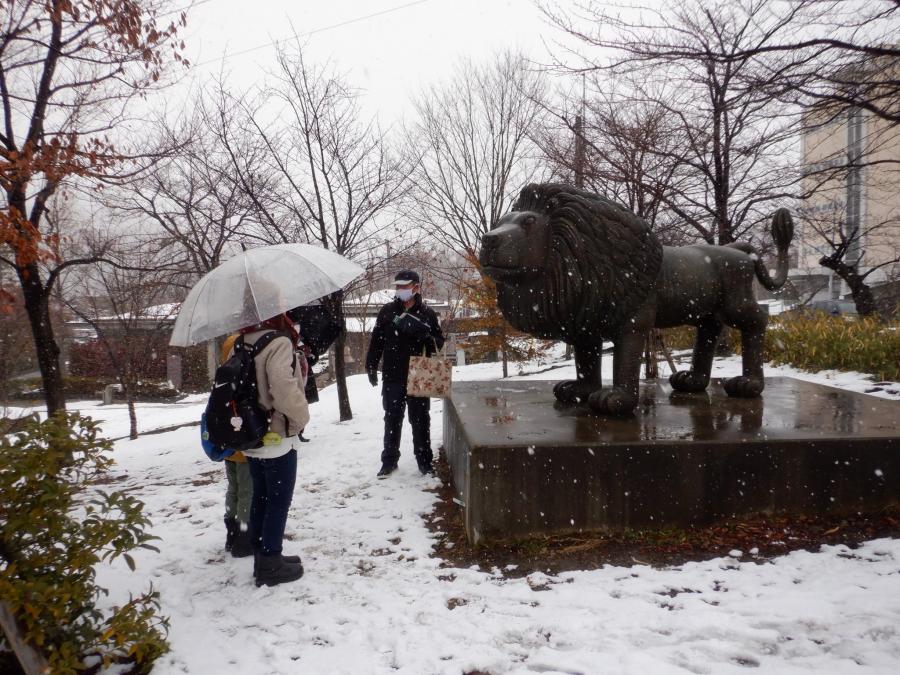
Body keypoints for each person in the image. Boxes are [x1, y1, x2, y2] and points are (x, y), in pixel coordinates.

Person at [231, 312, 310, 587]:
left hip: (250, 433)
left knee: (261, 497)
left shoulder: (242, 340)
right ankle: (270, 564)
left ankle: (263, 554)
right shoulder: (278, 341)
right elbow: (283, 387)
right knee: (278, 500)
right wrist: (302, 417)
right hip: (274, 433)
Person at [365, 270, 445, 477]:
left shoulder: (427, 313)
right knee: (392, 419)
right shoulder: (387, 311)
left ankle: (424, 461)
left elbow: (439, 342)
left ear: (416, 287)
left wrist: (425, 333)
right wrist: (371, 365)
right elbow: (377, 341)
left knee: (420, 420)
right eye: (398, 286)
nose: (401, 290)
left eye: (405, 286)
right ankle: (389, 461)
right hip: (392, 374)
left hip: (419, 373)